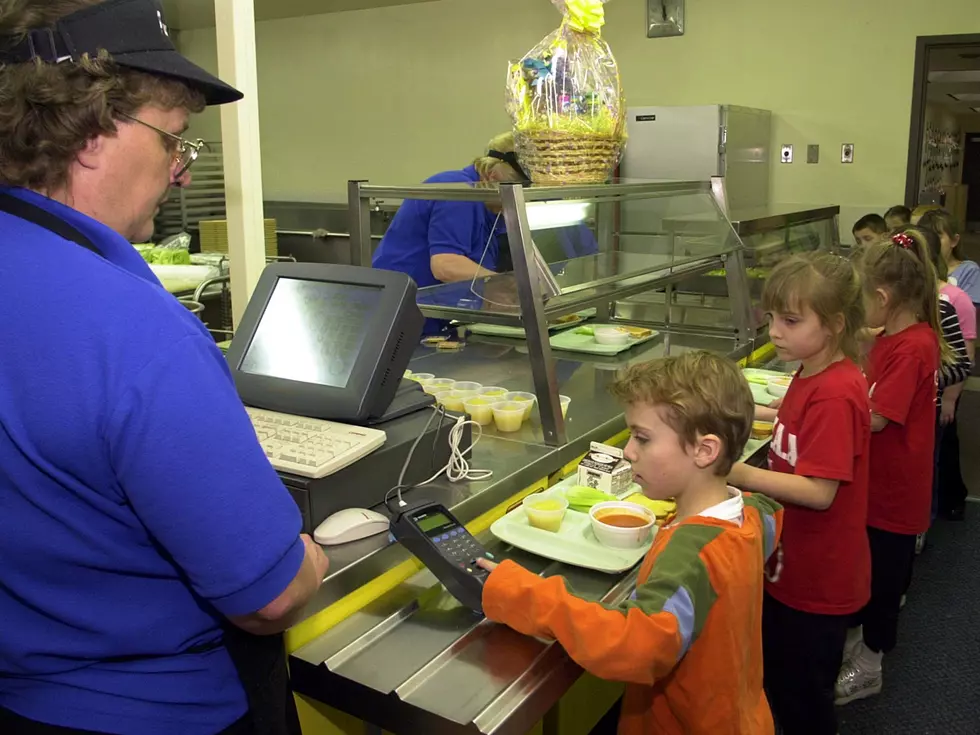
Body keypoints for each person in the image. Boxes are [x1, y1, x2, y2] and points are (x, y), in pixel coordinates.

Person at [0, 2, 328, 734]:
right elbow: (267, 596)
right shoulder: (134, 326)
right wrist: (312, 556)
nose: (181, 175)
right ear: (92, 131)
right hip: (161, 711)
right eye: (174, 140)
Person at [477, 351, 783, 735]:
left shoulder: (694, 555)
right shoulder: (751, 518)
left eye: (642, 438)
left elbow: (634, 647)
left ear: (705, 451)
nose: (628, 451)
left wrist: (523, 593)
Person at [727, 253, 871, 735]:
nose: (775, 331)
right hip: (792, 566)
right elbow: (792, 423)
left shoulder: (835, 392)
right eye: (771, 318)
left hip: (818, 579)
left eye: (790, 320)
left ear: (833, 325)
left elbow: (819, 490)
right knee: (785, 683)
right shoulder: (811, 372)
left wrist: (737, 474)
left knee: (803, 699)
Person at [834, 229, 951, 705]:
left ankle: (870, 665)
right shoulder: (895, 335)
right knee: (868, 574)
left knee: (883, 585)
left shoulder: (914, 346)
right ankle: (859, 645)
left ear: (881, 297)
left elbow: (878, 417)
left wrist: (822, 408)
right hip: (876, 487)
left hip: (893, 495)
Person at [918, 213, 976, 522]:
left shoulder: (954, 299)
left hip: (943, 389)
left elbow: (962, 356)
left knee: (942, 450)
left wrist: (951, 398)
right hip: (928, 391)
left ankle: (943, 504)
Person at [919, 209, 980, 306]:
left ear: (954, 241)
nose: (930, 242)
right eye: (925, 236)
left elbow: (968, 312)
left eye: (937, 237)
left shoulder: (969, 271)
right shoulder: (916, 267)